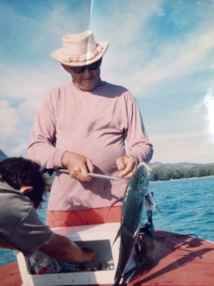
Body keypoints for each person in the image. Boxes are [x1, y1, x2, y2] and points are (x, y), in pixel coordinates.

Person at [28, 30, 153, 228]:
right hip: (66, 207)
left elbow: (142, 144)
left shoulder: (123, 96)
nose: (88, 73)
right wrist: (66, 158)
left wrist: (134, 157)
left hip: (117, 205)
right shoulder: (53, 98)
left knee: (122, 258)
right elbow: (36, 148)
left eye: (93, 65)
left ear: (101, 59)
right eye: (79, 69)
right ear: (66, 67)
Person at [0, 157, 96, 264]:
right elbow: (61, 248)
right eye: (31, 208)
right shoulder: (15, 204)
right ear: (26, 191)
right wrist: (87, 256)